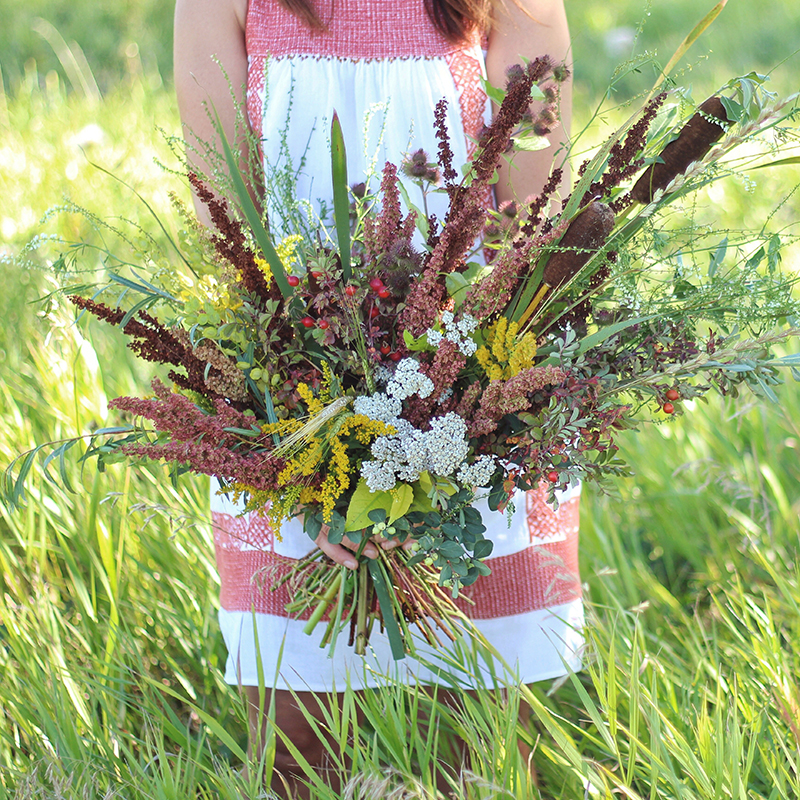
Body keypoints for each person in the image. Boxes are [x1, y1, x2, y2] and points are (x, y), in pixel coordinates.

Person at [174, 0, 579, 795]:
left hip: (473, 423)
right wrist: (320, 473)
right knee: (299, 756)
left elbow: (533, 234)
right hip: (295, 419)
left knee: (482, 759)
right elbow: (224, 226)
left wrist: (441, 451)